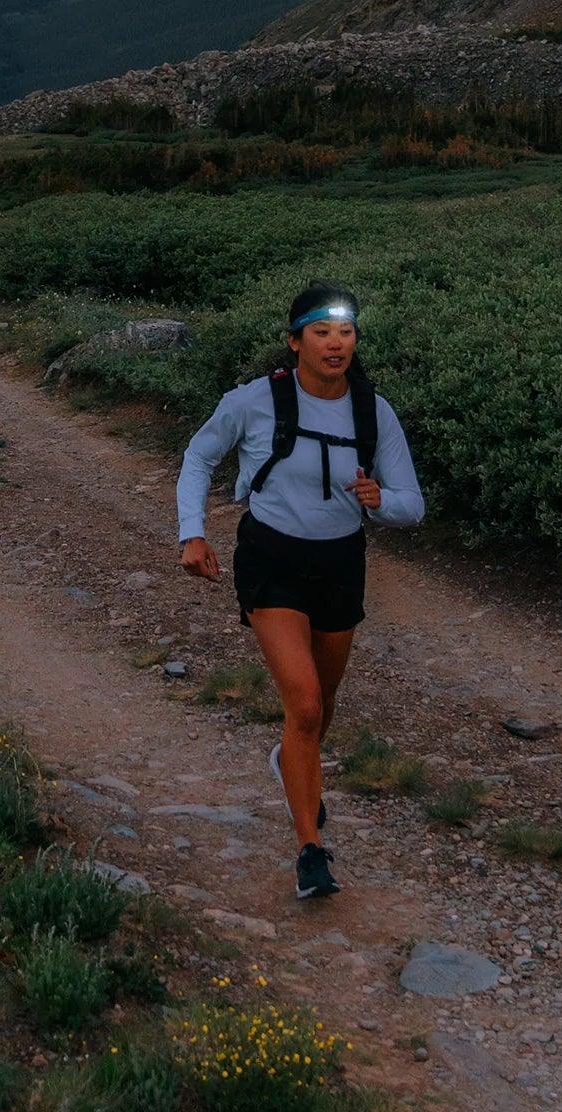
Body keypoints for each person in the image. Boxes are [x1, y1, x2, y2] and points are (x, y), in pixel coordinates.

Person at [175, 282, 425, 900]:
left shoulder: (374, 411)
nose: (335, 343)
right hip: (272, 558)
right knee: (307, 705)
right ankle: (310, 849)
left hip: (341, 562)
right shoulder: (255, 400)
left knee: (323, 702)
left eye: (345, 332)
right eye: (321, 332)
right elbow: (200, 455)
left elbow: (412, 504)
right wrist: (192, 533)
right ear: (295, 342)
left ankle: (293, 763)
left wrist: (381, 501)